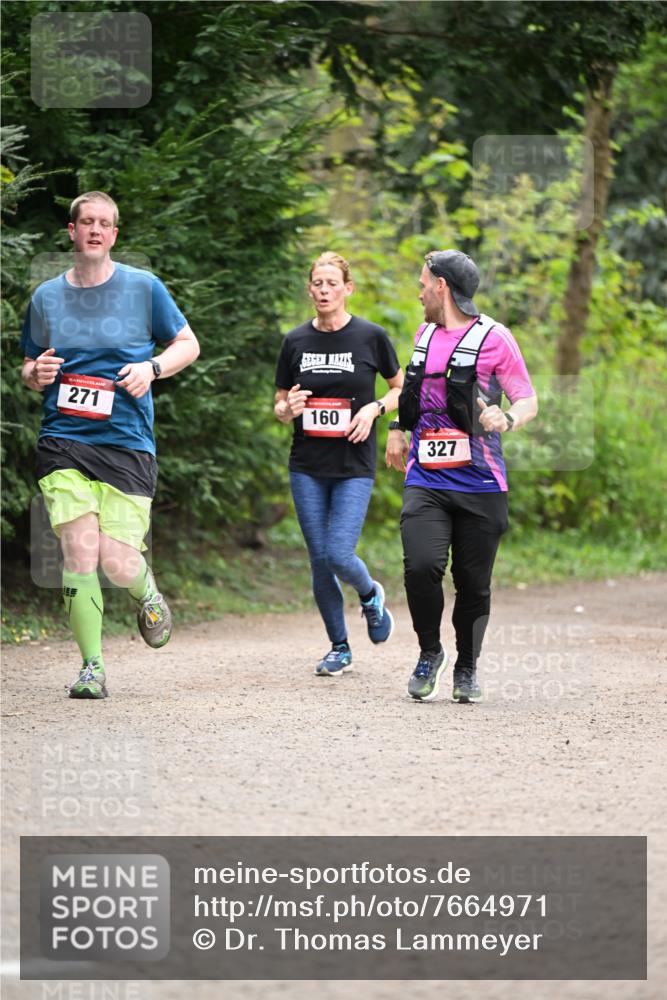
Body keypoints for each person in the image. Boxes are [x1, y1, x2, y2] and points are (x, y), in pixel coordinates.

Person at [20, 191, 200, 699]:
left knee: (117, 561)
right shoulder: (46, 298)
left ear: (114, 235)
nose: (95, 230)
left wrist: (152, 367)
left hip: (126, 442)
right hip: (64, 440)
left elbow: (188, 343)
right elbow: (29, 367)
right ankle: (92, 667)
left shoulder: (144, 289)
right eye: (87, 222)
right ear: (72, 231)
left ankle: (146, 591)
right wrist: (37, 373)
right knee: (79, 550)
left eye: (105, 223)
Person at [386, 249, 537, 703]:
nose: (418, 291)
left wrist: (507, 420)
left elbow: (527, 399)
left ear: (442, 287)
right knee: (421, 567)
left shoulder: (496, 338)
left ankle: (467, 667)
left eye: (422, 282)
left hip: (480, 483)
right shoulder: (424, 335)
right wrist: (396, 429)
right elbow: (412, 394)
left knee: (473, 584)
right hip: (426, 477)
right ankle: (430, 653)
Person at [274, 251, 404, 676]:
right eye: (317, 283)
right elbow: (279, 402)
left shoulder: (371, 337)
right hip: (307, 464)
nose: (324, 290)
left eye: (332, 283)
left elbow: (401, 389)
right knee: (318, 559)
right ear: (309, 289)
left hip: (353, 463)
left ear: (348, 288)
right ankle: (339, 647)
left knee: (338, 553)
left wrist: (374, 411)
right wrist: (287, 408)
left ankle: (369, 594)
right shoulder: (295, 341)